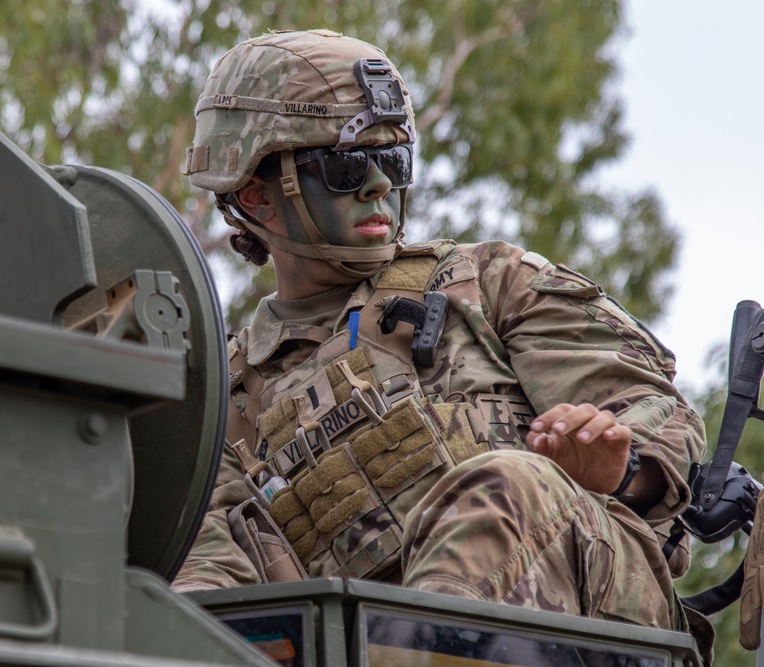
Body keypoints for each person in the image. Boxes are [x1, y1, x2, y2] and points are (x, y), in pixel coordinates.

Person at [173, 28, 707, 642]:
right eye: (346, 166)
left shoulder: (487, 282)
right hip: (362, 646)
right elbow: (209, 592)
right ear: (255, 197)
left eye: (392, 159)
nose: (379, 186)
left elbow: (663, 421)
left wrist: (618, 467)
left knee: (509, 483)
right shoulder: (220, 404)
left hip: (592, 623)